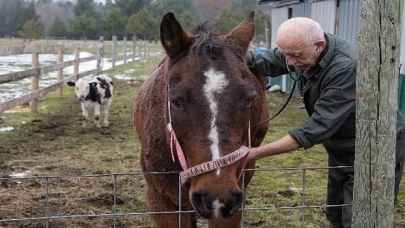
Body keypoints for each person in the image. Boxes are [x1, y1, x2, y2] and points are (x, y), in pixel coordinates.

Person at [246, 17, 405, 228]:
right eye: (284, 54)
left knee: (360, 218)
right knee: (336, 214)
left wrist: (254, 153)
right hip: (341, 145)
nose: (289, 62)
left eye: (295, 55)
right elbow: (260, 61)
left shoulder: (346, 68)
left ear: (319, 45)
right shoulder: (298, 50)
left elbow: (314, 130)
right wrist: (220, 51)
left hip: (374, 149)